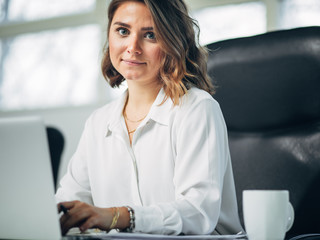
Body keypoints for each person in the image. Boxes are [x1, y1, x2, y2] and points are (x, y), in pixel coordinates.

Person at [56, 0, 243, 236]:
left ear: (172, 43)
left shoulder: (197, 109)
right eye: (123, 31)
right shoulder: (98, 122)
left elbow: (198, 212)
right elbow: (68, 202)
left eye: (150, 35)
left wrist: (118, 216)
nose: (132, 47)